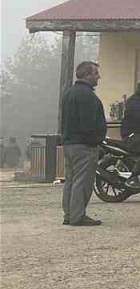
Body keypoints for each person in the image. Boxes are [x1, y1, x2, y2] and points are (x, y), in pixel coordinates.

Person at [60, 61, 106, 226]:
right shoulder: (87, 96)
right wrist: (96, 141)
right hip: (84, 146)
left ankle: (69, 214)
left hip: (70, 144)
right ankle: (78, 216)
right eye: (95, 73)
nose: (98, 77)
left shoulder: (69, 93)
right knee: (83, 182)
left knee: (71, 181)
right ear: (87, 75)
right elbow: (88, 124)